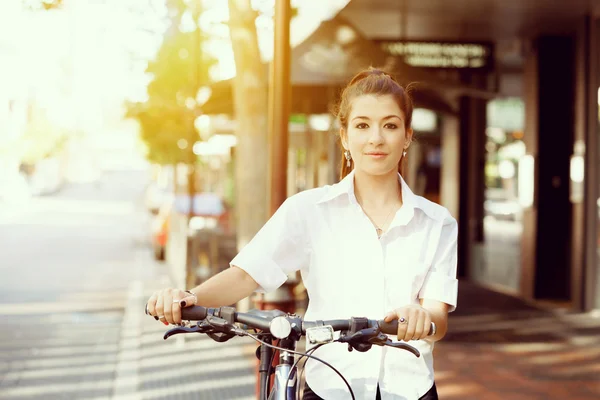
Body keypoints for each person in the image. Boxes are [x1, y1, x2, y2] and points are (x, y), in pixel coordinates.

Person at [146, 67, 458, 400]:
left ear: (407, 136)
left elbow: (439, 317)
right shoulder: (308, 211)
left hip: (410, 389)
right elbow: (246, 275)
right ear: (344, 136)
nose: (376, 138)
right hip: (329, 386)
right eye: (362, 125)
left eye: (390, 125)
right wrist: (190, 297)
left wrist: (422, 317)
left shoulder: (437, 222)